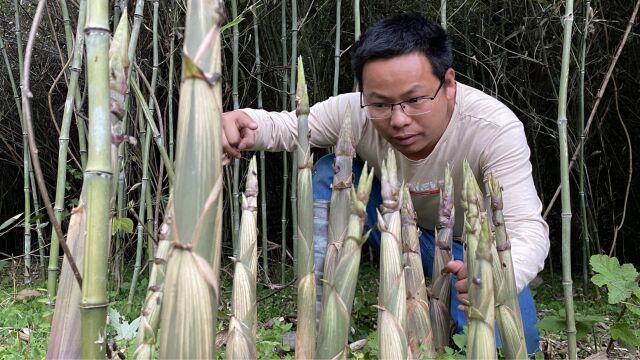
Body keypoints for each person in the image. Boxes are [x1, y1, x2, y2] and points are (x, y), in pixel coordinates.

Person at [222, 13, 549, 354]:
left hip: (467, 252)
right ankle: (320, 321)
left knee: (514, 344)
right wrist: (237, 122)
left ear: (449, 84)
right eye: (380, 103)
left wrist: (494, 274)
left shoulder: (492, 128)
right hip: (391, 221)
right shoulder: (356, 112)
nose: (398, 119)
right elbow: (291, 127)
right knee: (328, 171)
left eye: (415, 100)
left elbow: (527, 228)